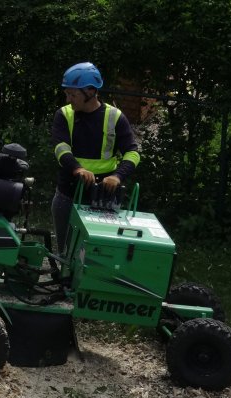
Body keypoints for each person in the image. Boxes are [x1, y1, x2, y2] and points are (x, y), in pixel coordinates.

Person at [51, 62, 141, 255]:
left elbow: (132, 153)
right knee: (66, 253)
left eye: (72, 94)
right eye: (67, 94)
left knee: (98, 255)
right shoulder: (64, 115)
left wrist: (118, 176)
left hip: (103, 199)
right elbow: (61, 148)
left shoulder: (115, 117)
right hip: (68, 194)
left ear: (90, 91)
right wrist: (77, 169)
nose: (68, 99)